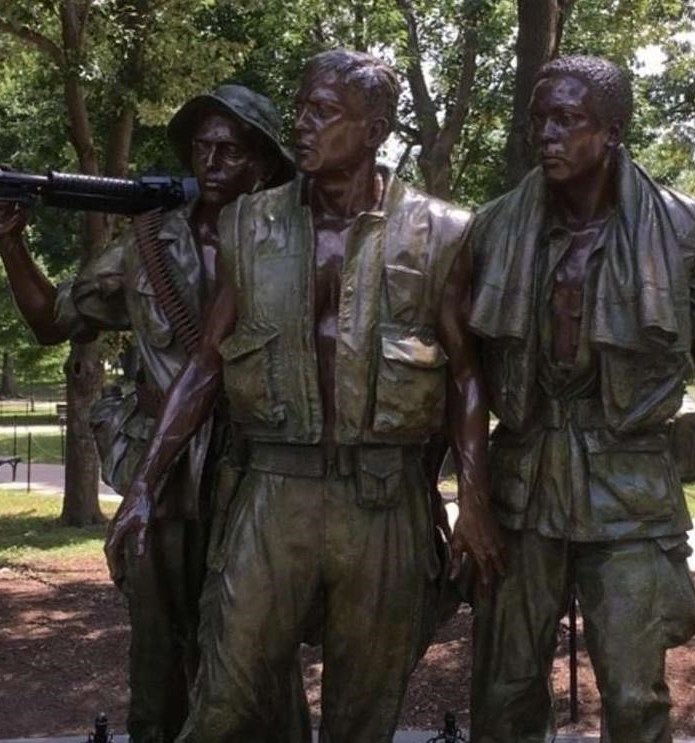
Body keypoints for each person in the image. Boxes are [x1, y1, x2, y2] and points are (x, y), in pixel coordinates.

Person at [107, 50, 505, 743]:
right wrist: (143, 484)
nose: (300, 123)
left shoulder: (443, 231)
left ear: (375, 127)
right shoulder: (249, 225)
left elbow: (468, 375)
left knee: (362, 715)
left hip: (382, 500)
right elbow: (204, 366)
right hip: (272, 492)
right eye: (300, 107)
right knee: (224, 700)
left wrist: (472, 504)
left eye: (322, 111)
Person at [466, 56, 695, 743]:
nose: (546, 135)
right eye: (538, 119)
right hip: (522, 481)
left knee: (632, 689)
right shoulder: (494, 228)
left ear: (613, 130)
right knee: (503, 688)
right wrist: (468, 499)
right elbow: (463, 370)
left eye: (566, 119)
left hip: (629, 484)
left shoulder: (681, 228)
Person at [0, 84, 303, 743]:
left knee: (259, 652)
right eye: (201, 147)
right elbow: (53, 319)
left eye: (230, 149)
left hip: (260, 474)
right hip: (166, 471)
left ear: (265, 164)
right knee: (158, 655)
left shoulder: (296, 247)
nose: (210, 161)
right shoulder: (146, 244)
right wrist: (12, 244)